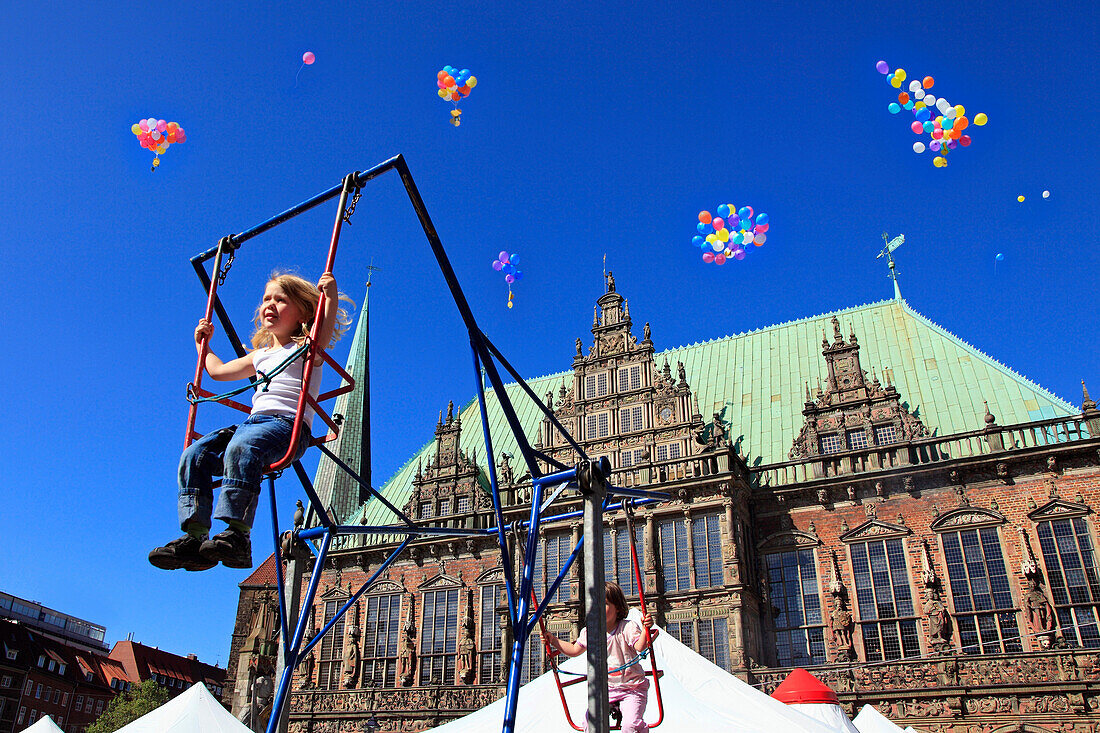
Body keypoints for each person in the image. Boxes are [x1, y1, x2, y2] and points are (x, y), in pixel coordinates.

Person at [149, 272, 351, 571]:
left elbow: (322, 327)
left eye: (281, 300)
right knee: (195, 454)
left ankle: (238, 535)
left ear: (303, 314)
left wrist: (329, 296)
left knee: (242, 447)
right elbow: (217, 372)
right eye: (267, 298)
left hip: (287, 428)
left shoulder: (307, 348)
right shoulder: (260, 356)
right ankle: (194, 535)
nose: (270, 304)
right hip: (253, 425)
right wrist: (202, 346)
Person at [542, 582, 659, 733]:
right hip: (607, 689)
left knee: (630, 725)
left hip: (632, 688)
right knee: (589, 722)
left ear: (618, 608)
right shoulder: (591, 632)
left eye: (604, 604)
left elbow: (640, 647)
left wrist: (646, 629)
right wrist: (554, 641)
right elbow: (574, 650)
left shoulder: (627, 627)